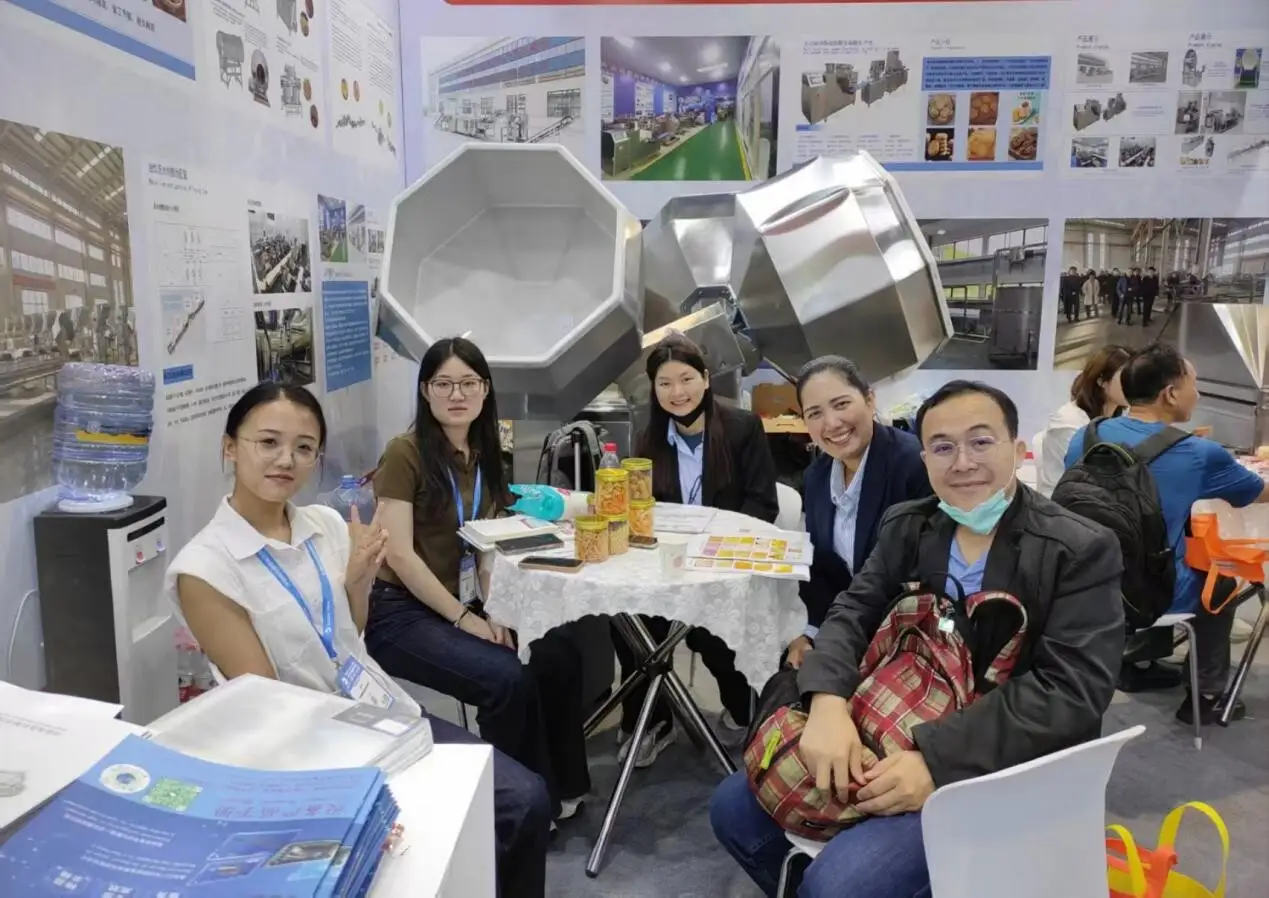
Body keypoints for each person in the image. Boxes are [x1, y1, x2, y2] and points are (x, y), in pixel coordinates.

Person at [711, 380, 1125, 898]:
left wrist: (936, 760)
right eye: (943, 447)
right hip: (890, 721)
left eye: (981, 441)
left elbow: (1072, 689)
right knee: (734, 809)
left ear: (1018, 449)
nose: (963, 463)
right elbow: (853, 610)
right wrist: (827, 702)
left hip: (996, 756)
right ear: (925, 458)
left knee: (842, 884)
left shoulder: (1076, 549)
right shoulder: (911, 525)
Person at [165, 382, 551, 898]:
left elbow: (352, 634)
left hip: (382, 711)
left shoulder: (325, 524)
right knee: (485, 819)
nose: (286, 460)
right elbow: (267, 702)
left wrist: (357, 584)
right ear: (230, 446)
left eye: (304, 447)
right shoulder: (204, 569)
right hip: (308, 750)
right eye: (268, 442)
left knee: (524, 800)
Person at [367, 337, 590, 821]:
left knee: (556, 651)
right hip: (399, 610)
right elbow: (399, 554)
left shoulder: (487, 450)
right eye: (443, 384)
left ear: (485, 390)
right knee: (506, 676)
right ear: (425, 391)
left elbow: (487, 542)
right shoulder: (404, 453)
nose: (457, 394)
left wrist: (497, 609)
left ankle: (564, 788)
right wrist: (465, 620)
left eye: (468, 383)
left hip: (463, 596)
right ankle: (520, 808)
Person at [1064, 342, 1269, 722]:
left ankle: (1138, 659)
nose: (1198, 393)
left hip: (1081, 581)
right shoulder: (1199, 453)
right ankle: (1207, 696)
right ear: (1170, 393)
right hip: (1149, 594)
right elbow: (1258, 493)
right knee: (1220, 581)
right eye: (1194, 383)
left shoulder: (1086, 436)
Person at [611, 333, 779, 767]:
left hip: (724, 562)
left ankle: (741, 707)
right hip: (668, 564)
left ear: (705, 379)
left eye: (686, 379)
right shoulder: (648, 439)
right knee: (630, 619)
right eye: (665, 383)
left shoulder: (742, 428)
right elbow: (643, 508)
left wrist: (713, 547)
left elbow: (763, 504)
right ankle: (652, 721)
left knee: (709, 629)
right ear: (654, 389)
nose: (677, 392)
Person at [789, 356, 931, 670]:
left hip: (907, 634)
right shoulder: (816, 478)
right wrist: (809, 633)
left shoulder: (914, 465)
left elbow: (925, 573)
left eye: (841, 404)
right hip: (845, 631)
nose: (831, 423)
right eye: (815, 413)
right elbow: (822, 567)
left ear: (869, 399)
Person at [1035, 344, 1131, 496]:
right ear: (1101, 381)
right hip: (1064, 502)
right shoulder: (1068, 421)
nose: (1132, 384)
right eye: (1124, 377)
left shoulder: (1121, 419)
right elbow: (1084, 476)